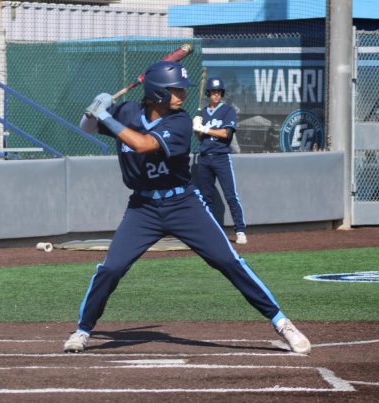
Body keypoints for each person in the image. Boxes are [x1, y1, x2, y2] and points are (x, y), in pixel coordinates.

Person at [64, 61, 311, 355]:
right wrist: (92, 111)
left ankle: (282, 322)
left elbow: (142, 144)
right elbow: (87, 128)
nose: (182, 94)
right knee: (111, 268)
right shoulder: (128, 111)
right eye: (175, 90)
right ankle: (83, 329)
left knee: (229, 262)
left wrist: (106, 115)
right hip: (142, 208)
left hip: (183, 204)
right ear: (156, 93)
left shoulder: (179, 122)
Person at [193, 77, 247, 244]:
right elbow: (201, 138)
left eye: (218, 92)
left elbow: (226, 134)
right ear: (208, 94)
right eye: (213, 92)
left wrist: (205, 128)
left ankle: (240, 231)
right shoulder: (202, 113)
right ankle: (210, 232)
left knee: (231, 195)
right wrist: (197, 128)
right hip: (204, 158)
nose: (216, 95)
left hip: (221, 157)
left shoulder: (227, 111)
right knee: (206, 197)